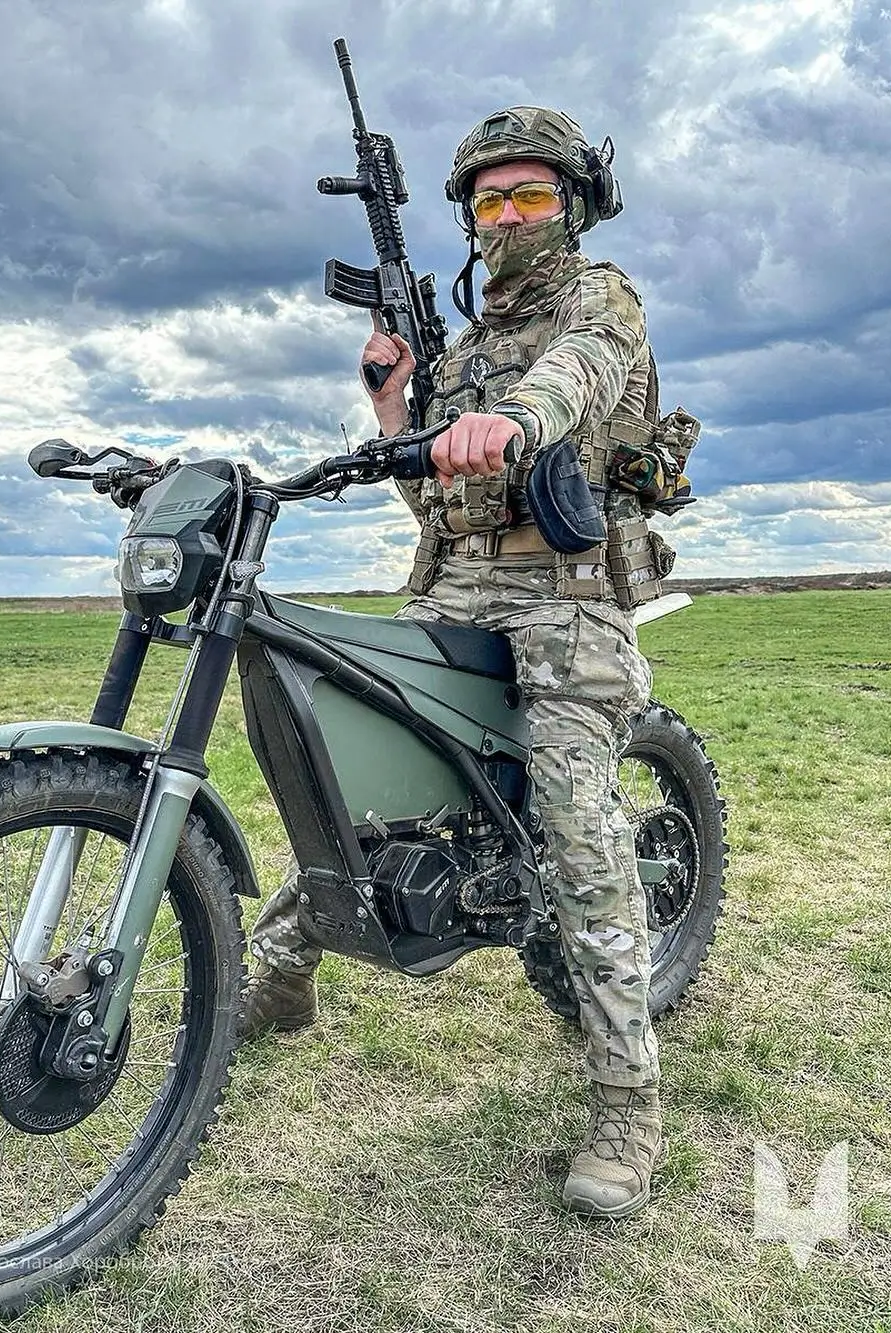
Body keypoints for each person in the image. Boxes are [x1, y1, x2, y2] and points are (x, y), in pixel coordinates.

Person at [243, 107, 671, 1220]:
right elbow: (432, 494)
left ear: (572, 205)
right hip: (455, 580)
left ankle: (627, 1100)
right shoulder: (463, 349)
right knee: (366, 780)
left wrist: (516, 417)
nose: (509, 217)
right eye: (490, 201)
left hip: (569, 596)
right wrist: (395, 404)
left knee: (578, 820)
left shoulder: (601, 296)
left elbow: (576, 376)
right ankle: (285, 975)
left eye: (530, 196)